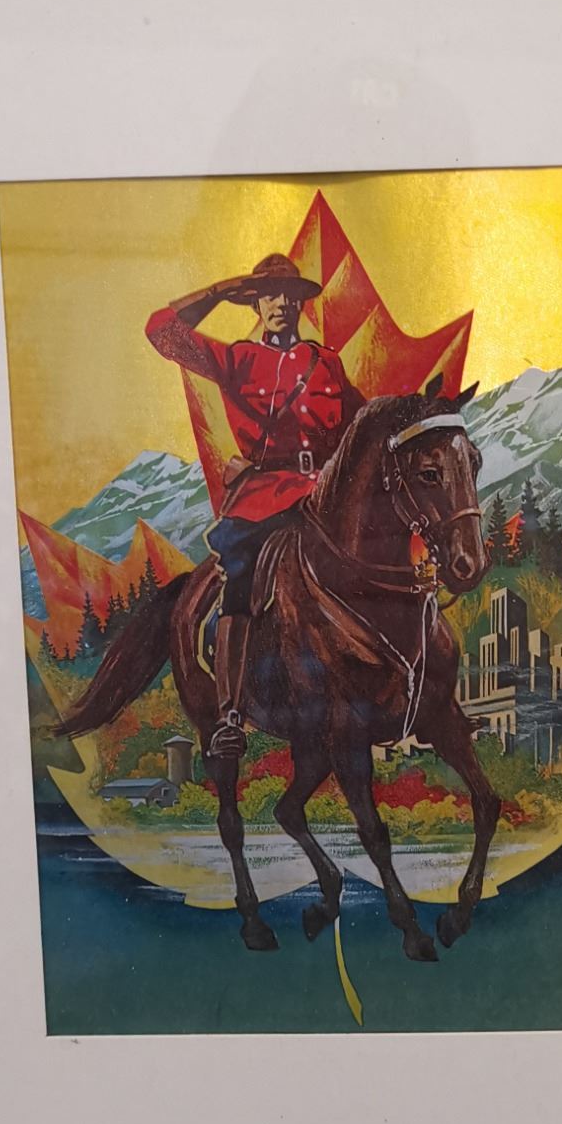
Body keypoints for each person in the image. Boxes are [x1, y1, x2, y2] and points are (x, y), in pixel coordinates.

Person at [145, 253, 364, 757]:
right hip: (263, 498)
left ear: (301, 303)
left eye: (289, 295)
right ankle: (230, 714)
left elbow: (360, 419)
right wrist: (219, 291)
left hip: (323, 496)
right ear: (255, 304)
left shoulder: (326, 362)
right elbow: (161, 331)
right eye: (268, 296)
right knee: (240, 580)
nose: (280, 303)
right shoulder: (237, 360)